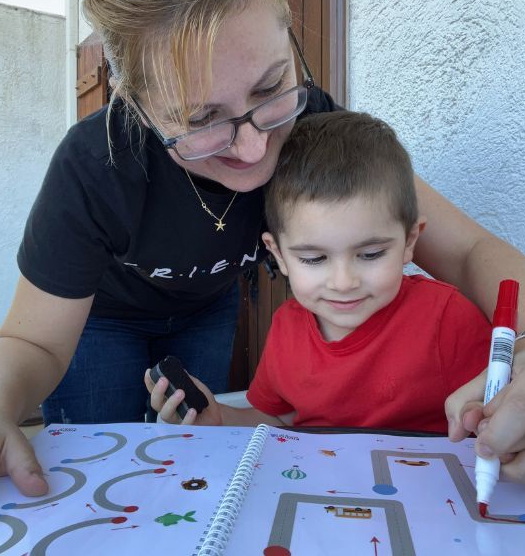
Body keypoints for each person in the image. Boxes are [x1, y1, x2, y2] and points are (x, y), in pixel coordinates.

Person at [0, 0, 525, 502]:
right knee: (92, 469)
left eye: (271, 88)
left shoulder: (312, 128)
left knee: (195, 452)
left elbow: (472, 248)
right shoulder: (96, 167)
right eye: (200, 120)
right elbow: (33, 341)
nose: (254, 145)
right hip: (99, 316)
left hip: (208, 307)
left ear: (292, 38)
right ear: (135, 104)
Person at [148, 111, 494, 433]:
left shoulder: (448, 321)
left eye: (370, 253)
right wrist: (218, 417)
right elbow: (277, 417)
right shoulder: (287, 328)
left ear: (409, 241)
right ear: (278, 255)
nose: (344, 283)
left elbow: (503, 410)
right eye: (314, 259)